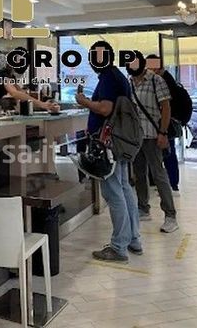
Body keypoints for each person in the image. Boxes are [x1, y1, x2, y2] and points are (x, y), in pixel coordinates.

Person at [75, 41, 142, 263]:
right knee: (124, 188)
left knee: (114, 193)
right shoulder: (118, 77)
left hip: (109, 144)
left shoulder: (108, 78)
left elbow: (105, 108)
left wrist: (84, 101)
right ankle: (133, 239)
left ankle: (119, 247)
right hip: (119, 142)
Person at [127, 51, 178, 233]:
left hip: (153, 135)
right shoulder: (130, 82)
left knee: (158, 174)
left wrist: (163, 132)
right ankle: (143, 208)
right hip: (136, 136)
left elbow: (166, 108)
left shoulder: (156, 80)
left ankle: (170, 215)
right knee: (139, 174)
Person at [146, 54, 181, 193]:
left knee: (167, 154)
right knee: (166, 154)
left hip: (164, 124)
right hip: (163, 123)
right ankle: (170, 182)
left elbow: (166, 106)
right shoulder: (166, 79)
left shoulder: (162, 80)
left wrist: (163, 130)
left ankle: (171, 183)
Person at [0, 47, 59, 112]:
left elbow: (21, 92)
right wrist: (42, 104)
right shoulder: (2, 75)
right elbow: (14, 93)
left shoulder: (11, 76)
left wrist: (45, 104)